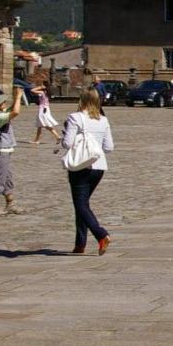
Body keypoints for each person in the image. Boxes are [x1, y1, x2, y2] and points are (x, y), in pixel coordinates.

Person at [61, 88, 115, 254]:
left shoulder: (75, 118)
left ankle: (101, 235)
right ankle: (80, 244)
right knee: (83, 205)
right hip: (98, 167)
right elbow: (109, 147)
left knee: (80, 204)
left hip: (81, 166)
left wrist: (65, 136)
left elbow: (67, 143)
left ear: (82, 100)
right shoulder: (103, 120)